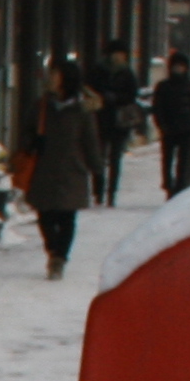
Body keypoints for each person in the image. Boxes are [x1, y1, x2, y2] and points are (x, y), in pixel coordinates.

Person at [25, 56, 105, 280]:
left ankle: (59, 258)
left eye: (54, 74)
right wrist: (32, 142)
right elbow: (27, 131)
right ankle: (53, 249)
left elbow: (90, 143)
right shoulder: (42, 106)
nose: (50, 78)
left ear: (65, 79)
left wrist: (97, 170)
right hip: (45, 168)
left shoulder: (81, 112)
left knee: (67, 217)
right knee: (45, 215)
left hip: (72, 170)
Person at [87, 40, 144, 204]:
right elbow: (90, 90)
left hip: (119, 120)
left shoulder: (127, 73)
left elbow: (132, 94)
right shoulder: (98, 71)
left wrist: (116, 98)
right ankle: (99, 191)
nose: (120, 57)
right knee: (99, 157)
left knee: (115, 158)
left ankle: (112, 191)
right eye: (117, 53)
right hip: (101, 117)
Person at [150, 48, 190, 197]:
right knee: (167, 160)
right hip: (169, 128)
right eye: (176, 65)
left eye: (181, 66)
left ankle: (180, 185)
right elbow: (157, 107)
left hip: (186, 128)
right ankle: (168, 184)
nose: (178, 68)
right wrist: (161, 124)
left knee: (183, 161)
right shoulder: (164, 86)